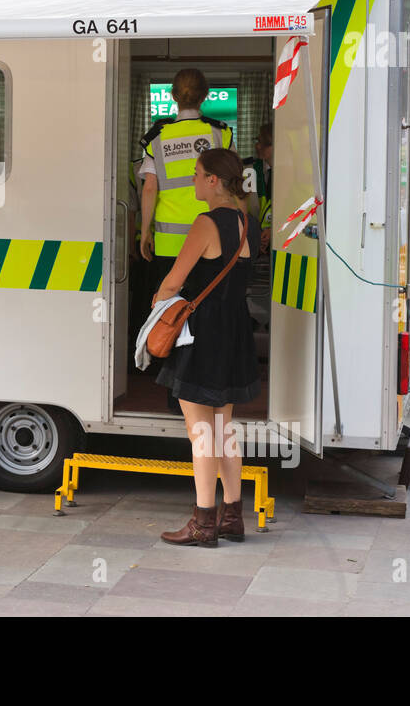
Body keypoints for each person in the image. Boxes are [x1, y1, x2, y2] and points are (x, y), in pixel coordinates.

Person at [153, 148, 261, 547]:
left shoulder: (206, 223)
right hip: (235, 333)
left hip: (203, 335)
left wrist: (156, 304)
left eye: (198, 175)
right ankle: (233, 515)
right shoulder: (248, 221)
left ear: (213, 180)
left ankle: (202, 523)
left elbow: (173, 281)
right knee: (222, 428)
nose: (194, 181)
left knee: (200, 432)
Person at [139, 69, 234, 290]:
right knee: (208, 307)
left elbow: (149, 189)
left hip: (169, 243)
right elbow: (234, 184)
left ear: (173, 96)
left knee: (172, 309)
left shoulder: (158, 137)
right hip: (214, 238)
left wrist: (144, 233)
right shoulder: (220, 133)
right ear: (205, 95)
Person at [243, 122, 274, 254]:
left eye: (264, 143)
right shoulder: (248, 170)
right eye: (257, 141)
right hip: (255, 241)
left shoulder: (292, 174)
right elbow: (243, 209)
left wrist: (274, 230)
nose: (258, 146)